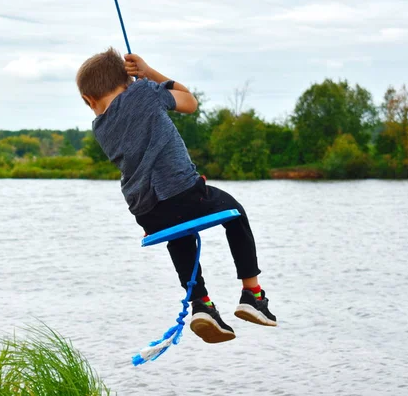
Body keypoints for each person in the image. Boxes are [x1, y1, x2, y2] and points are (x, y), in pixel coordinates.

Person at [76, 48, 277, 343]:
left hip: (147, 213)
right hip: (184, 193)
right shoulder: (144, 92)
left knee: (177, 231)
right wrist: (148, 73)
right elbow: (189, 102)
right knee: (235, 212)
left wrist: (139, 84)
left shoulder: (100, 127)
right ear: (129, 81)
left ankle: (201, 303)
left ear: (88, 100)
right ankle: (252, 294)